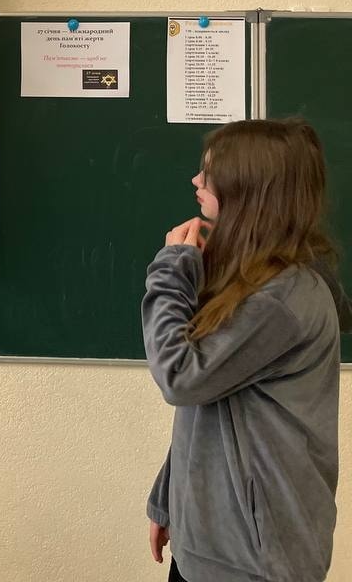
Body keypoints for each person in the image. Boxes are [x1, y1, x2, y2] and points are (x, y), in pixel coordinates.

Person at [143, 118, 350, 582]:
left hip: (254, 564)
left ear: (247, 190)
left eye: (209, 173)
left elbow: (180, 377)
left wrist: (171, 269)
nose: (196, 180)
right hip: (210, 548)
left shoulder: (284, 300)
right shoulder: (251, 283)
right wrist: (169, 498)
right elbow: (209, 402)